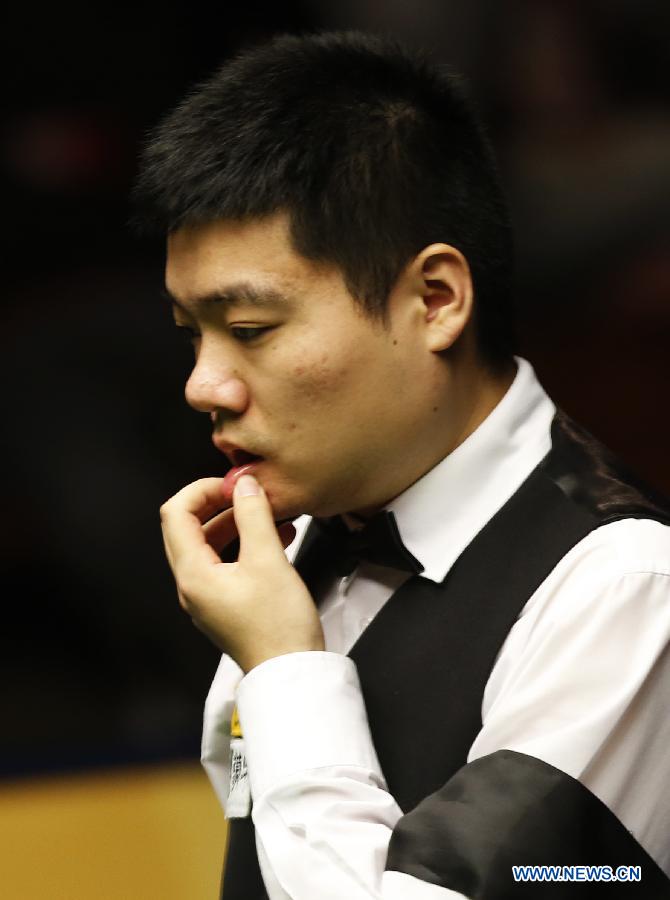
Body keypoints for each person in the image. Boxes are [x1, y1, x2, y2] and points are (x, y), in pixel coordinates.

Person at [132, 31, 670, 899]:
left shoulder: (627, 588)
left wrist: (282, 669)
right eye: (192, 331)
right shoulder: (299, 547)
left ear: (435, 300)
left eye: (252, 329)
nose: (204, 384)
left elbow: (571, 879)